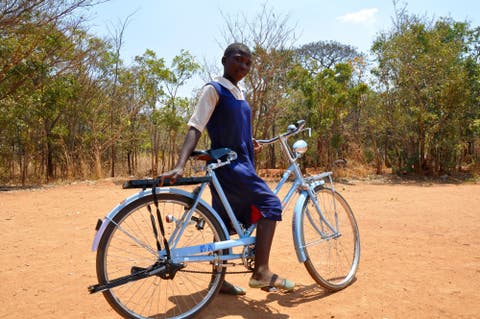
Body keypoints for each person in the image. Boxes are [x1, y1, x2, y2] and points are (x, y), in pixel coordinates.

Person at [159, 43, 294, 295]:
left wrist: (249, 142)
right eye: (238, 60)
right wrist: (179, 165)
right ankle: (262, 271)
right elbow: (196, 126)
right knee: (271, 205)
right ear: (224, 60)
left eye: (248, 63)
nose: (243, 66)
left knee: (223, 224)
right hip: (231, 167)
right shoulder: (214, 89)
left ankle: (218, 281)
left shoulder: (239, 92)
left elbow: (234, 128)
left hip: (242, 161)